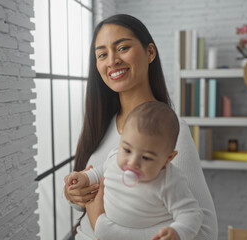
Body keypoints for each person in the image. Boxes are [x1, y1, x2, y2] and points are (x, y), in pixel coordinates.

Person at [63, 14, 218, 240]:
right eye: (102, 54)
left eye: (123, 48)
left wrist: (101, 224)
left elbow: (205, 232)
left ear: (150, 52)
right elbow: (98, 191)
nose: (112, 60)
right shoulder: (101, 123)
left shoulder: (173, 134)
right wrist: (74, 196)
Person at [65, 101, 204, 240]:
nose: (132, 163)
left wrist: (178, 232)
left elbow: (191, 213)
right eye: (127, 150)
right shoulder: (115, 157)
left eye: (146, 158)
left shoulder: (170, 181)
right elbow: (101, 171)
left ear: (168, 158)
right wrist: (85, 177)